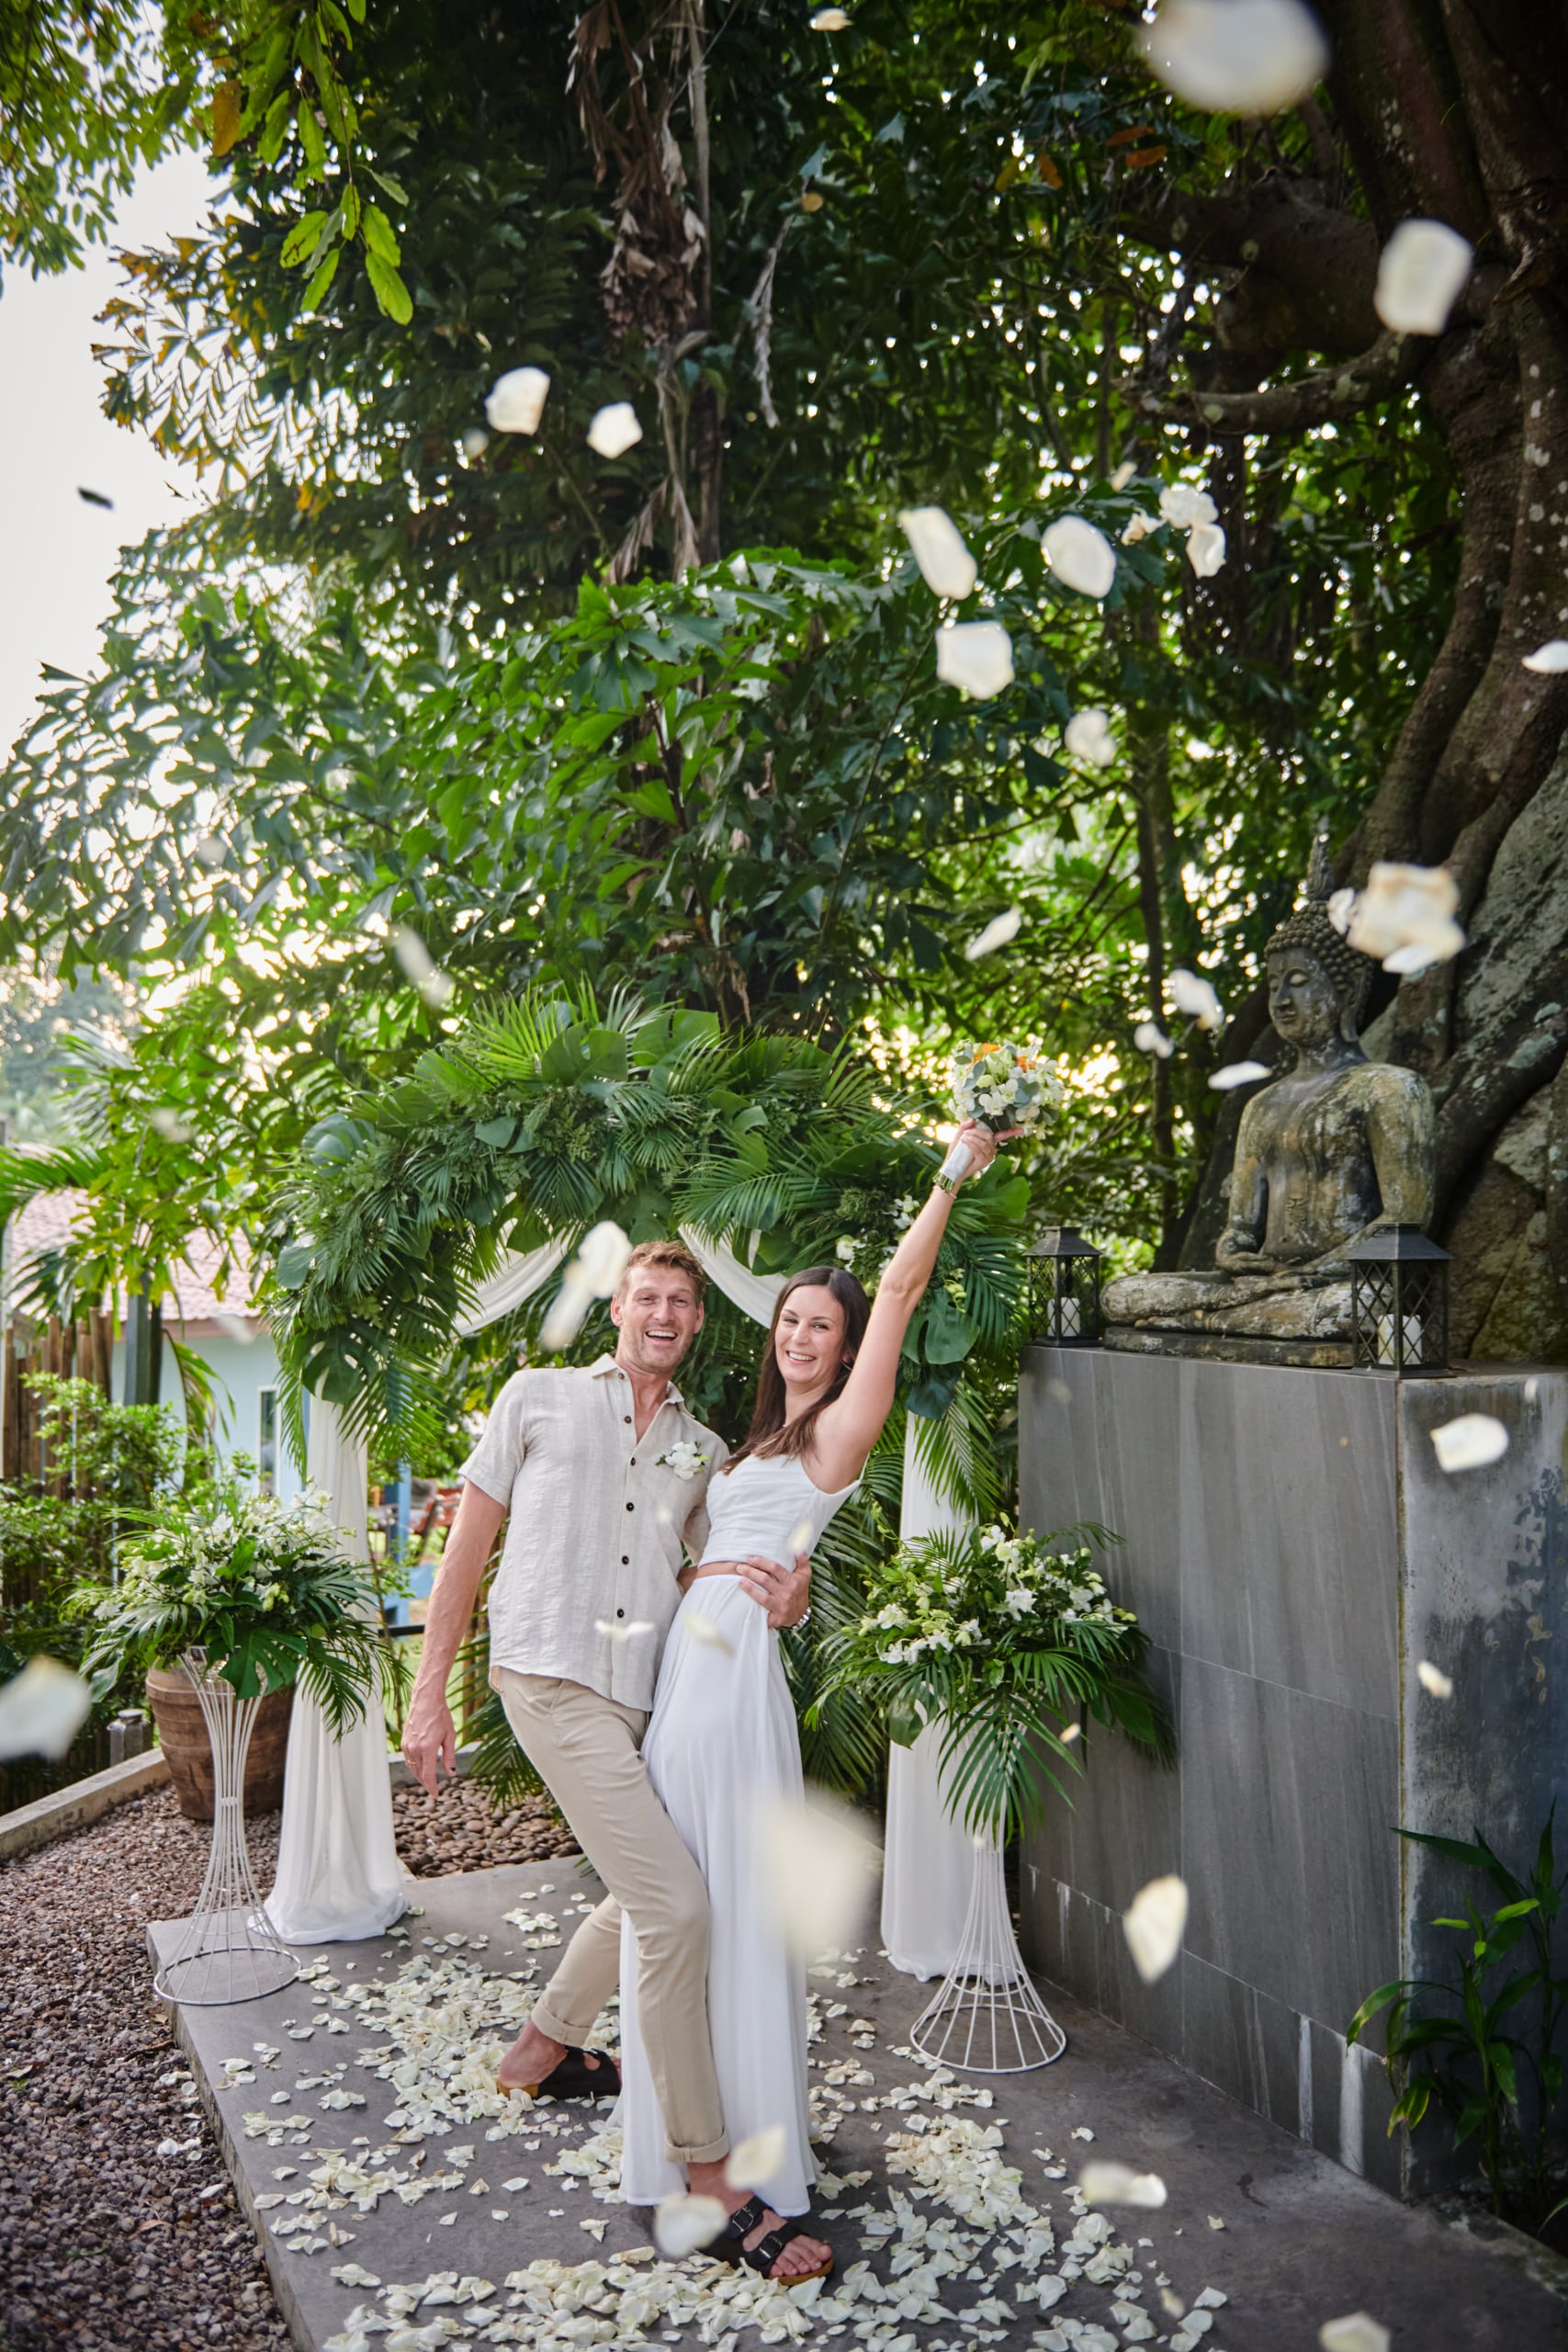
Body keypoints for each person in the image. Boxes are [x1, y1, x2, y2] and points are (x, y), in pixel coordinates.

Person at [616, 1118, 1008, 2285]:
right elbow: (709, 1543)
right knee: (676, 1904)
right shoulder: (754, 1441)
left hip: (734, 1687)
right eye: (790, 1319)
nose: (801, 1335)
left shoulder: (842, 1427)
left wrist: (953, 1167)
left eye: (821, 1326)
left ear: (845, 1352)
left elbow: (900, 1285)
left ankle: (739, 2166)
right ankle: (678, 2150)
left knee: (720, 1910)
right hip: (697, 1659)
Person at [400, 1239, 810, 2249]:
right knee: (675, 1909)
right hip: (548, 1677)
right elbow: (467, 1548)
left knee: (640, 1889)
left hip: (648, 1700)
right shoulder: (536, 1396)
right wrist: (428, 1691)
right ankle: (708, 2173)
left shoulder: (707, 1451)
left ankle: (541, 2048)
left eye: (680, 1300)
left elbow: (723, 1570)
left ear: (699, 1322)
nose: (662, 1312)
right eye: (646, 1296)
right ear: (615, 1307)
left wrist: (791, 1599)